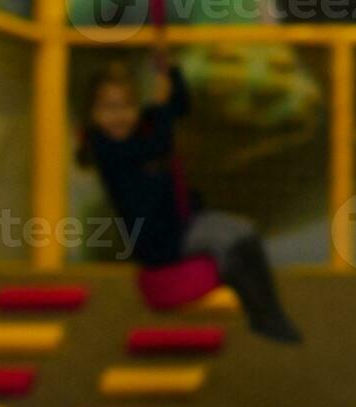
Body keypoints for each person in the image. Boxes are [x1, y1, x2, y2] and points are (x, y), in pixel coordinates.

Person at [78, 55, 302, 344]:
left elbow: (179, 107)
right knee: (232, 243)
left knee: (245, 231)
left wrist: (171, 71)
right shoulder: (105, 148)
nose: (119, 116)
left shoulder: (139, 129)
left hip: (180, 224)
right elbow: (158, 143)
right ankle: (257, 308)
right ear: (93, 115)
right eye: (109, 108)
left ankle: (265, 312)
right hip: (160, 243)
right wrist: (159, 112)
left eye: (126, 106)